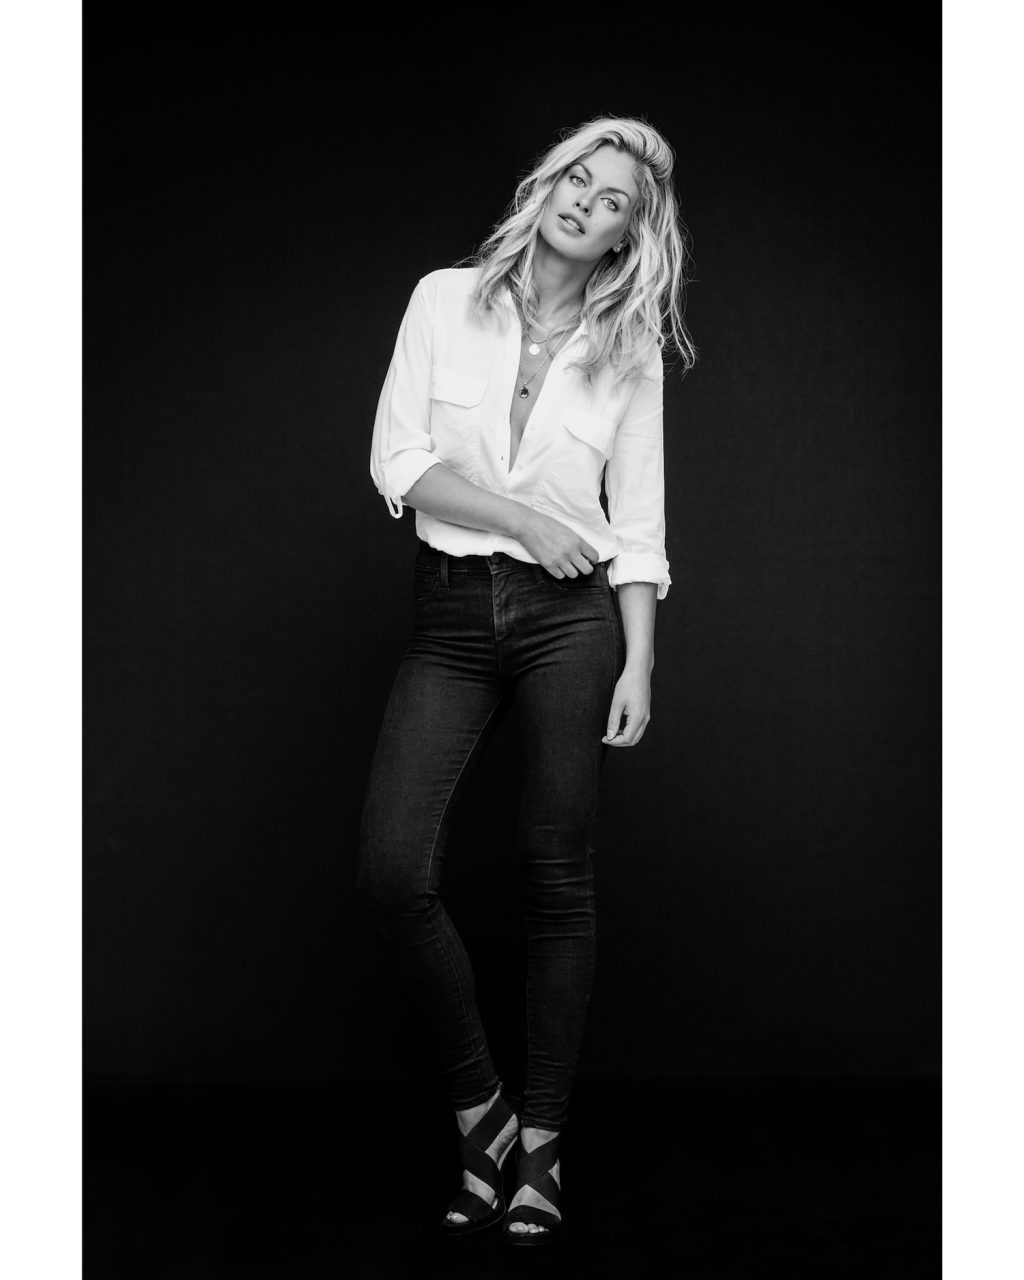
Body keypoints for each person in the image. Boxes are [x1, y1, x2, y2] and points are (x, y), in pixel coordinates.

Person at [356, 116, 695, 1246]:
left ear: (626, 239)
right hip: (452, 611)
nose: (585, 202)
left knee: (556, 874)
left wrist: (639, 657)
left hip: (571, 623)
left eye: (611, 201)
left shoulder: (627, 352)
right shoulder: (442, 300)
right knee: (392, 872)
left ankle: (541, 1140)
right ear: (546, 185)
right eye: (577, 180)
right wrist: (521, 520)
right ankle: (481, 1110)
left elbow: (636, 524)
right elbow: (398, 458)